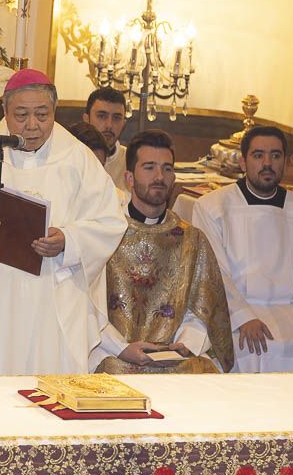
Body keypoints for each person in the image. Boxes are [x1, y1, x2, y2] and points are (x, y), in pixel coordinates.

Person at [0, 68, 125, 376]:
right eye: (21, 115)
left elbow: (109, 221)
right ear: (5, 112)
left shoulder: (78, 159)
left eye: (42, 115)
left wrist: (68, 240)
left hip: (51, 290)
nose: (32, 125)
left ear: (54, 111)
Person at [191, 125, 293, 375]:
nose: (267, 163)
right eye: (258, 155)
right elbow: (214, 274)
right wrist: (242, 318)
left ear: (285, 161)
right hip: (240, 309)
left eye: (275, 156)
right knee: (248, 349)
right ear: (243, 162)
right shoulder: (213, 208)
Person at [92, 129, 233, 374]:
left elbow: (202, 308)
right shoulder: (106, 234)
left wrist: (185, 345)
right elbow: (87, 305)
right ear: (129, 178)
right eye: (149, 167)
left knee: (201, 373)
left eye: (167, 168)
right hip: (115, 352)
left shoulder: (191, 239)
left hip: (175, 354)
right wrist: (121, 348)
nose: (160, 176)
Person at [82, 86, 129, 192]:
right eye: (102, 116)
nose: (109, 125)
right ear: (86, 119)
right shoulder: (70, 156)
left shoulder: (131, 161)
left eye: (116, 118)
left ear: (124, 124)